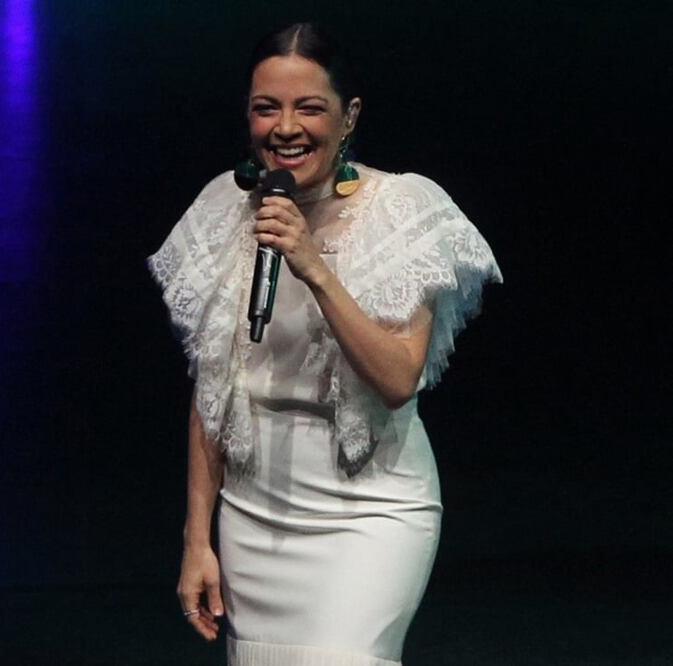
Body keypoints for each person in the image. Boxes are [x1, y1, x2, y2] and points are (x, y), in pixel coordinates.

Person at [147, 22, 503, 666]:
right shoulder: (223, 207)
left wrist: (314, 266)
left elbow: (398, 380)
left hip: (369, 511)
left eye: (309, 108)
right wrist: (196, 539)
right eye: (267, 108)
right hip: (253, 515)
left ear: (349, 117)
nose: (286, 128)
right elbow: (211, 391)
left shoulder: (400, 210)